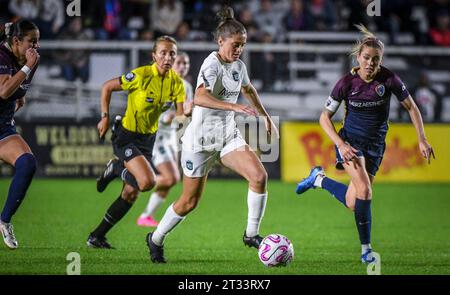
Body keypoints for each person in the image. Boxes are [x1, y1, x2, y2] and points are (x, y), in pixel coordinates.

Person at [145, 6, 279, 263]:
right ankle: (155, 238)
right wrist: (234, 106)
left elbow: (248, 89)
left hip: (228, 136)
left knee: (259, 176)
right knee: (188, 202)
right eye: (235, 44)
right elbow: (200, 96)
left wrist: (265, 115)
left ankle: (251, 234)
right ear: (221, 41)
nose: (239, 49)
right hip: (200, 142)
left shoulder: (238, 65)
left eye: (243, 45)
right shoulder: (212, 63)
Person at [295, 24, 435, 263]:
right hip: (350, 143)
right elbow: (323, 118)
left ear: (381, 60)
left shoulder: (388, 79)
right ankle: (366, 251)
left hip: (375, 147)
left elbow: (411, 107)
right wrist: (340, 144)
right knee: (365, 191)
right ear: (358, 57)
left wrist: (422, 138)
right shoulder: (346, 83)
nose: (370, 63)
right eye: (367, 58)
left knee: (353, 201)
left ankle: (318, 179)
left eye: (376, 59)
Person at [87, 35, 185, 249]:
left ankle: (97, 236)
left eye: (172, 54)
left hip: (148, 140)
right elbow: (107, 87)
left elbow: (180, 117)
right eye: (163, 53)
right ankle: (116, 168)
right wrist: (104, 116)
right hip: (126, 136)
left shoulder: (176, 83)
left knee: (131, 193)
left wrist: (189, 119)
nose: (168, 57)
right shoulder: (141, 75)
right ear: (154, 55)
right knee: (147, 182)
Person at [137, 52, 194, 227]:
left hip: (170, 137)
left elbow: (183, 117)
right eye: (179, 63)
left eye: (185, 63)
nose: (182, 66)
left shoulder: (186, 86)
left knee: (171, 180)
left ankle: (146, 216)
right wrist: (164, 118)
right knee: (170, 178)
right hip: (156, 136)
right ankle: (136, 179)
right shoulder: (163, 82)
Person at [0, 20, 40, 249]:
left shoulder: (31, 59)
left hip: (3, 130)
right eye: (32, 41)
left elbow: (18, 95)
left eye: (38, 41)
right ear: (16, 41)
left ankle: (4, 221)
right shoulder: (2, 56)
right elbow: (5, 91)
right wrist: (26, 70)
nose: (36, 46)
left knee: (27, 163)